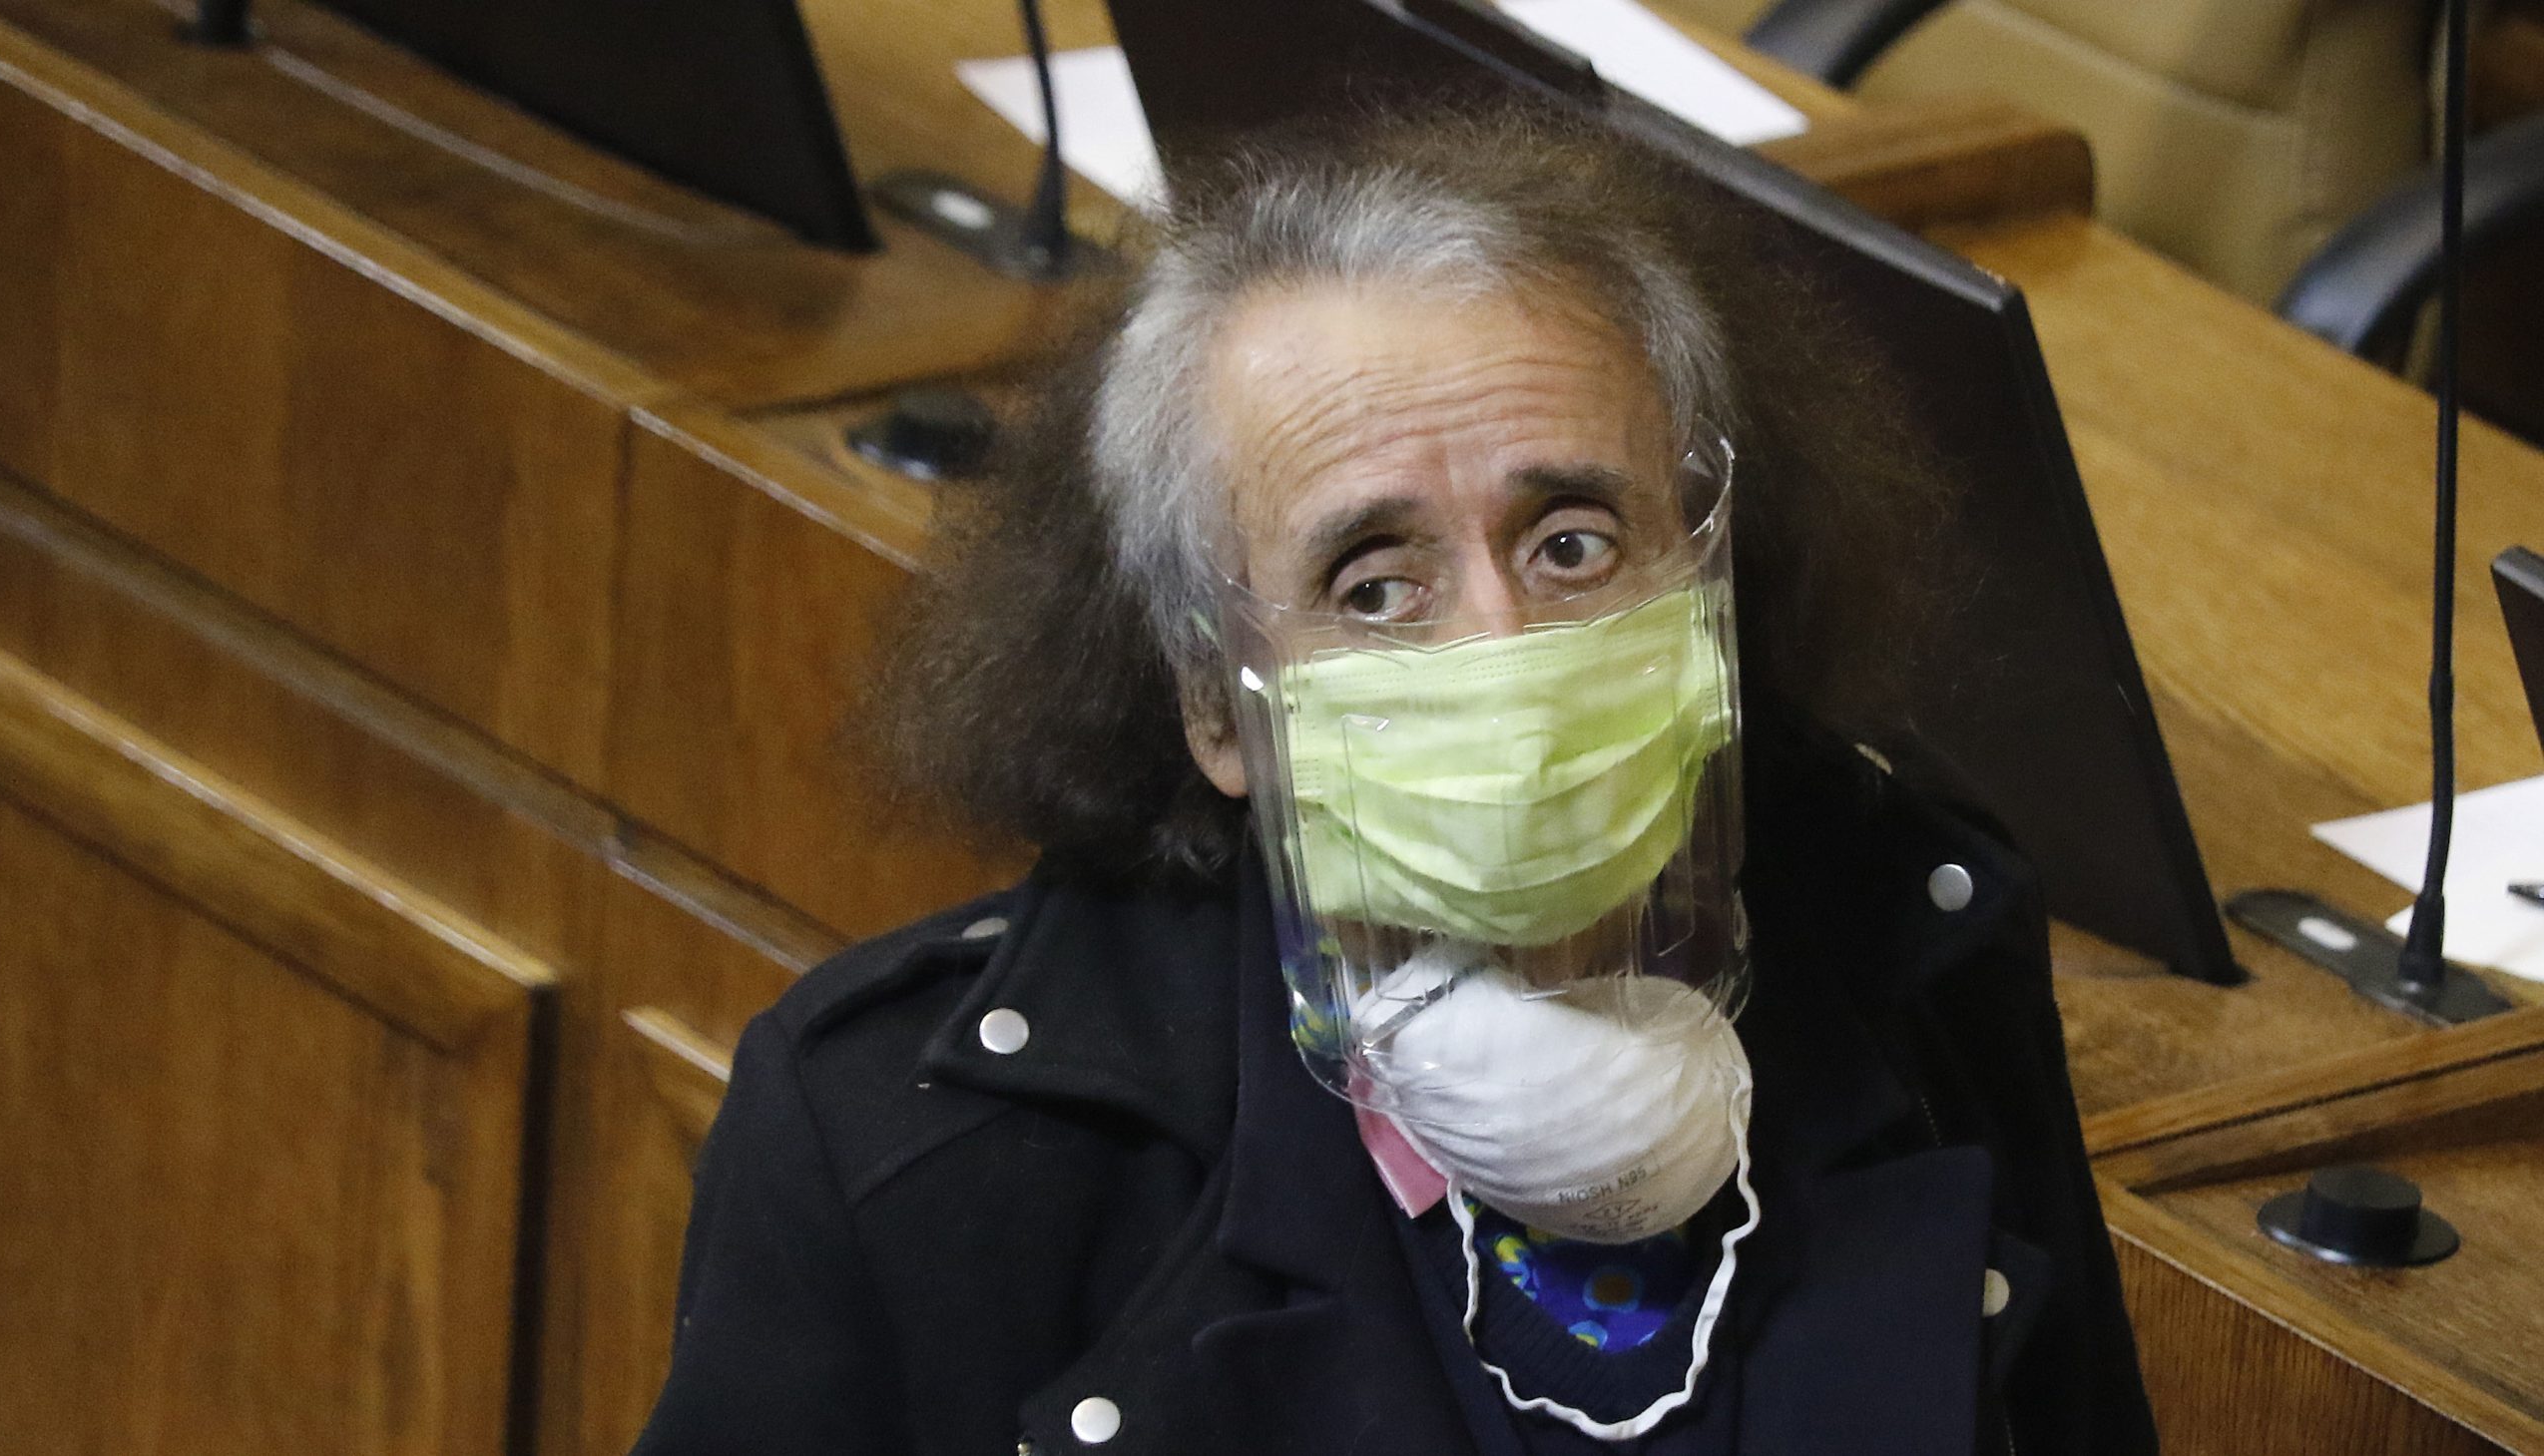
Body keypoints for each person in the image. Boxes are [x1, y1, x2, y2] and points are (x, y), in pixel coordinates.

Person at [633, 105, 2157, 1456]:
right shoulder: (904, 1159)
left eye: (1572, 543)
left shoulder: (1919, 949)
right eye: (1375, 585)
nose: (1501, 644)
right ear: (1215, 703)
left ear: (1706, 583)